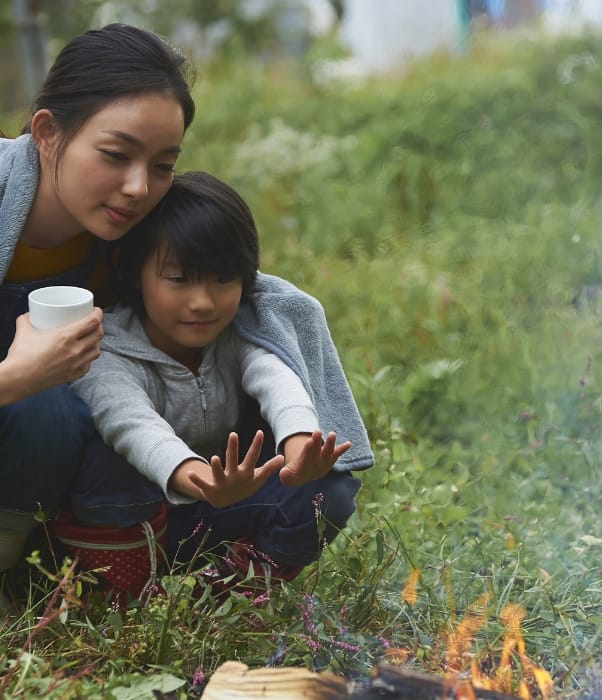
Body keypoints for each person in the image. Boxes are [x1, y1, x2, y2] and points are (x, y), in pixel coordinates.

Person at [65, 172, 373, 602]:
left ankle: (232, 594)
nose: (203, 302)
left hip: (218, 504)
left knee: (331, 491)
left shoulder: (239, 332)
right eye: (179, 279)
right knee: (107, 463)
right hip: (131, 522)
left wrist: (300, 442)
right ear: (137, 274)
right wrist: (201, 479)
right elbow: (131, 425)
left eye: (222, 280)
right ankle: (117, 599)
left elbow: (277, 377)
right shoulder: (108, 347)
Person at [0, 23, 195, 574]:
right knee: (46, 401)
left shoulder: (138, 244)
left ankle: (41, 568)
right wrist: (16, 378)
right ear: (46, 132)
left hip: (39, 479)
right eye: (115, 154)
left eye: (162, 165)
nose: (138, 188)